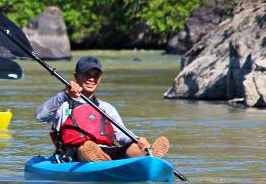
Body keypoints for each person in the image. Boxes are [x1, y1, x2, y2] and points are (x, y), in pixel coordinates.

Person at [35, 55, 170, 162]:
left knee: (134, 147)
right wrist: (64, 95)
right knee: (85, 148)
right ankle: (102, 160)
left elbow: (122, 136)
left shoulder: (106, 108)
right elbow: (40, 116)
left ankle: (149, 156)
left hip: (106, 151)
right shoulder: (63, 103)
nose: (92, 79)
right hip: (74, 155)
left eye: (96, 75)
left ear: (100, 78)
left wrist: (138, 140)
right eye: (87, 74)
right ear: (76, 76)